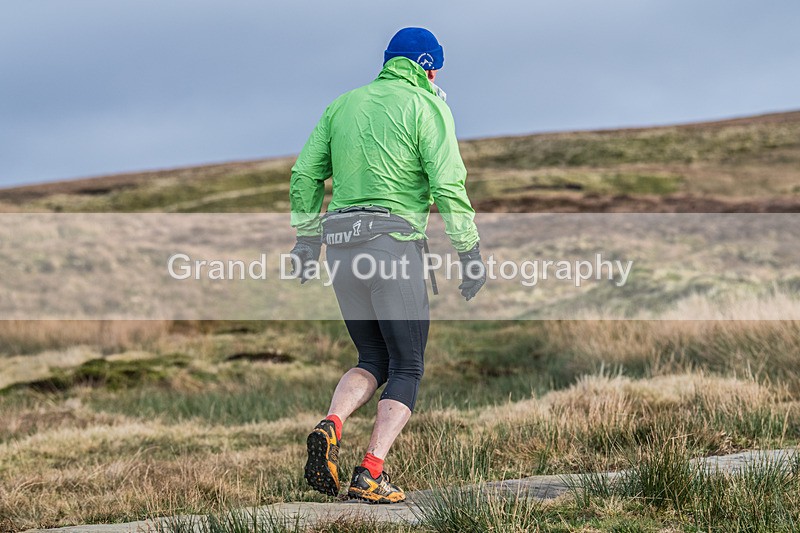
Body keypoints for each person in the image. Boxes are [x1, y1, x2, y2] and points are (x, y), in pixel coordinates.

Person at [288, 27, 486, 504]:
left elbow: (304, 173)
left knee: (371, 358)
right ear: (426, 66)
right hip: (392, 248)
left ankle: (331, 425)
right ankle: (369, 473)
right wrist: (469, 251)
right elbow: (448, 184)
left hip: (340, 249)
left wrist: (305, 238)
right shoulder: (428, 106)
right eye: (435, 67)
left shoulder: (342, 105)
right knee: (408, 365)